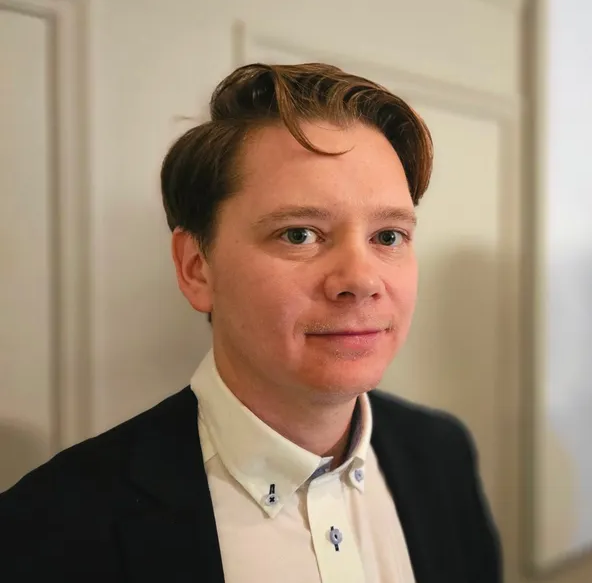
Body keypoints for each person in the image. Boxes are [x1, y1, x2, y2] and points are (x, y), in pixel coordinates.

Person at [0, 63, 502, 582]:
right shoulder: (48, 530)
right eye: (299, 234)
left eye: (389, 236)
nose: (360, 279)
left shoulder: (441, 454)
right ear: (196, 267)